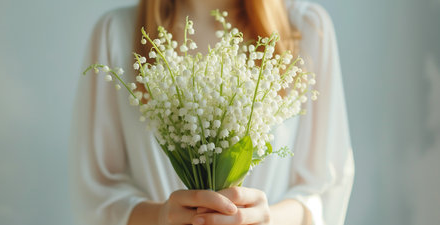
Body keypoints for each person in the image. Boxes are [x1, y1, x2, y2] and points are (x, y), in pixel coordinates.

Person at [70, 0, 355, 224]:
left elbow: (324, 189)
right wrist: (160, 217)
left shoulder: (306, 29)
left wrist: (263, 219)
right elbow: (97, 195)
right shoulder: (116, 33)